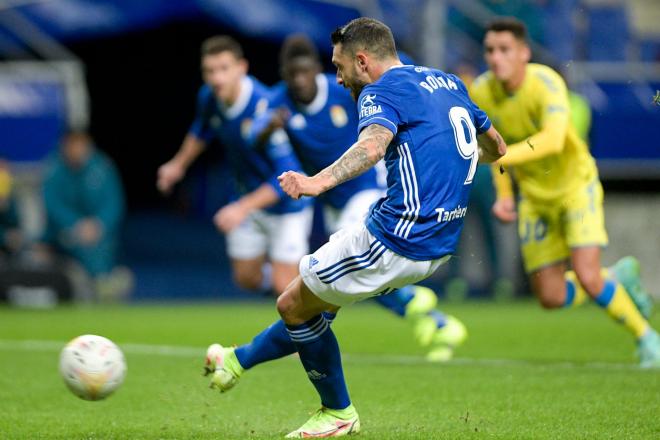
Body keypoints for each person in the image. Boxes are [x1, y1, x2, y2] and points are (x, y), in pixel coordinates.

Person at [204, 18, 505, 437]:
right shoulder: (446, 80)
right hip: (438, 244)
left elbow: (371, 146)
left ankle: (337, 411)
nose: (339, 76)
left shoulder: (379, 91)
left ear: (362, 60)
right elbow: (496, 146)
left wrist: (316, 182)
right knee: (311, 305)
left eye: (340, 65)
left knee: (292, 304)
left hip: (397, 235)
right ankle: (236, 361)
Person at [249, 34, 468, 362]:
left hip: (366, 189)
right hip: (333, 200)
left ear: (316, 70)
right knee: (353, 274)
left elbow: (392, 73)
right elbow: (254, 133)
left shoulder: (341, 87)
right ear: (284, 74)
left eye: (305, 71)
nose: (300, 80)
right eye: (292, 74)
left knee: (352, 266)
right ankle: (427, 317)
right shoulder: (279, 102)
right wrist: (267, 128)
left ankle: (410, 305)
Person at [469, 18, 659, 368]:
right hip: (534, 198)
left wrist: (504, 156)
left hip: (575, 186)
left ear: (524, 53)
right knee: (551, 298)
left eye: (504, 50)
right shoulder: (482, 91)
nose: (496, 58)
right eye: (490, 50)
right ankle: (615, 277)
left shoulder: (546, 83)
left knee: (587, 276)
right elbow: (489, 145)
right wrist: (504, 193)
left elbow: (553, 139)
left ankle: (647, 338)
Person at [156, 36, 312, 295]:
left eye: (224, 69)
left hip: (287, 206)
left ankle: (307, 311)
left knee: (286, 290)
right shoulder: (209, 97)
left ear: (242, 67)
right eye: (210, 71)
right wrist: (177, 165)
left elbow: (287, 177)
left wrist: (241, 207)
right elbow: (202, 129)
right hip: (246, 197)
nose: (217, 78)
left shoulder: (267, 110)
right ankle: (286, 291)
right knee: (246, 278)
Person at [42, 130, 130, 299]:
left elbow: (114, 203)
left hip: (98, 231)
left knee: (98, 243)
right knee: (76, 241)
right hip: (63, 232)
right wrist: (76, 224)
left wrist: (99, 224)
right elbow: (53, 206)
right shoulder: (54, 170)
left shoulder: (103, 168)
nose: (76, 150)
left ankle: (100, 282)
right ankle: (99, 284)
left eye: (80, 145)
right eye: (72, 145)